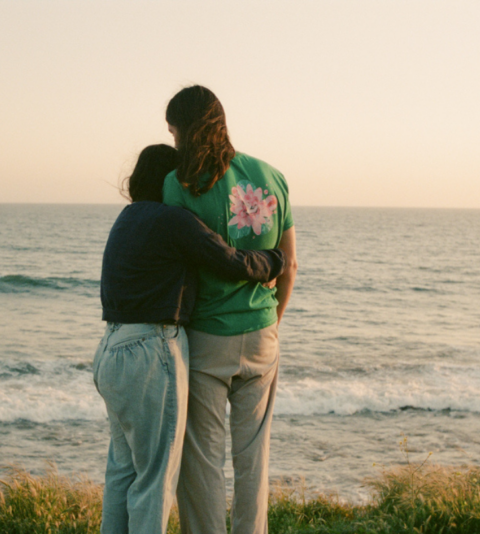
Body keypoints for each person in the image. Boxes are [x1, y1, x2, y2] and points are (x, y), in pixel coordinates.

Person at [95, 143, 287, 534]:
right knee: (156, 480)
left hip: (110, 351)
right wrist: (276, 260)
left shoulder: (127, 217)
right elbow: (230, 259)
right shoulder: (171, 219)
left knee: (122, 471)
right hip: (151, 351)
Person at [162, 86, 298, 534]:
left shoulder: (178, 184)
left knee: (202, 458)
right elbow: (290, 263)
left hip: (206, 339)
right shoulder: (272, 177)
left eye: (175, 133)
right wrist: (270, 323)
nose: (175, 143)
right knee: (253, 457)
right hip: (262, 335)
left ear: (188, 130)